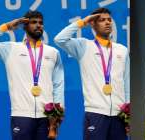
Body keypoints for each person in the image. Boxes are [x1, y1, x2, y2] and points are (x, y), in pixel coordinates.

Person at [54, 8, 129, 140]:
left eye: (109, 20)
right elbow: (59, 39)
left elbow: (126, 82)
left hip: (119, 116)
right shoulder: (83, 46)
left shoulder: (122, 50)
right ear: (93, 24)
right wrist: (83, 22)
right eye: (102, 20)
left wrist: (128, 113)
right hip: (95, 114)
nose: (107, 23)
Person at [0, 11, 64, 140]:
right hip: (21, 115)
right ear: (25, 26)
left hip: (46, 117)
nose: (38, 25)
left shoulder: (53, 52)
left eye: (41, 23)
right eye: (34, 22)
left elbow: (58, 84)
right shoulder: (10, 49)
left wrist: (57, 115)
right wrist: (7, 26)